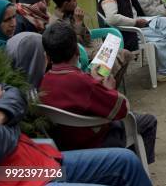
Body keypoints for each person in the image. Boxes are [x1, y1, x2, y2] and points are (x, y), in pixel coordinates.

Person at [39, 22, 158, 164]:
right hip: (95, 141)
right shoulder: (85, 84)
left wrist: (92, 80)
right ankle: (132, 167)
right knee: (149, 121)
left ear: (47, 57)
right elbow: (123, 109)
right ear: (77, 50)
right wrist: (109, 89)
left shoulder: (43, 82)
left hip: (64, 145)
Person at [0, 82, 153, 186]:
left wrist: (2, 113)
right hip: (10, 177)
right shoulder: (79, 81)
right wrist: (11, 119)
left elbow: (13, 92)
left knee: (127, 161)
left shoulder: (47, 82)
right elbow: (2, 143)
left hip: (32, 164)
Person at [50, 0, 132, 85]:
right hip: (82, 54)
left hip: (93, 48)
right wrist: (78, 23)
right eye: (74, 0)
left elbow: (88, 39)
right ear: (66, 4)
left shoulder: (72, 15)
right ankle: (102, 86)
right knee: (110, 62)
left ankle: (110, 87)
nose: (77, 3)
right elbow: (72, 44)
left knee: (126, 54)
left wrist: (81, 23)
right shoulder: (55, 23)